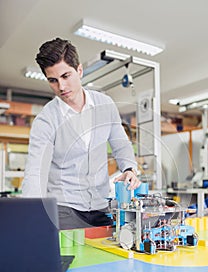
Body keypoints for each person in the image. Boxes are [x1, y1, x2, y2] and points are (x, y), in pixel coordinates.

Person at [22, 37, 141, 230]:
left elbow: (121, 144)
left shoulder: (105, 104)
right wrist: (29, 216)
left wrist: (129, 168)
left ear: (79, 70)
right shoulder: (46, 120)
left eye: (65, 76)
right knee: (75, 258)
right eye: (53, 80)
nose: (60, 86)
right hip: (65, 208)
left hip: (102, 206)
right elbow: (35, 171)